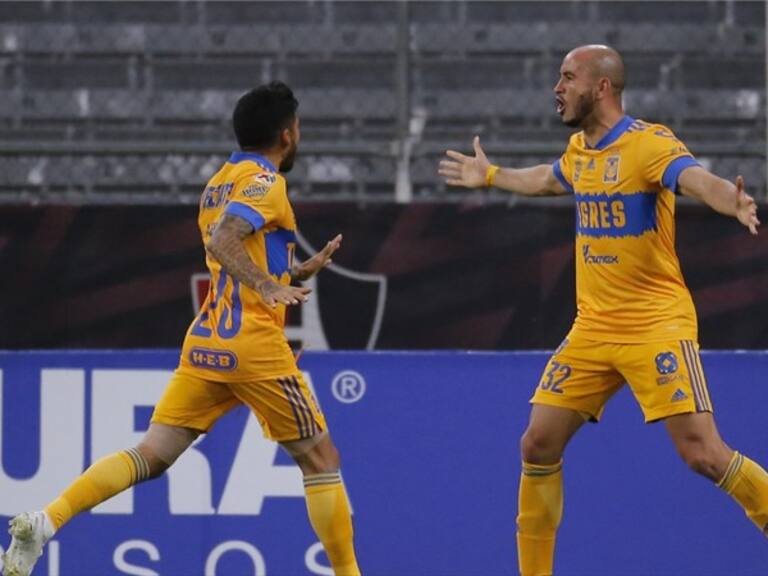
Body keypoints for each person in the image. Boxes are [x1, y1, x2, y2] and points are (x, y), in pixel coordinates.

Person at [3, 81, 361, 576]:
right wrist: (268, 285)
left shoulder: (219, 180)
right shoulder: (266, 183)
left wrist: (296, 272)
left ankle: (44, 522)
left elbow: (234, 253)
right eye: (297, 126)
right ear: (286, 133)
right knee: (321, 460)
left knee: (152, 453)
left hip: (207, 344)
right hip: (254, 344)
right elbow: (224, 241)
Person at [439, 44, 766, 576]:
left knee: (703, 454)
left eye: (568, 78)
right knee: (538, 442)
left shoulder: (648, 144)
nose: (558, 87)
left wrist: (729, 198)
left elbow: (692, 178)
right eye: (559, 78)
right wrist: (493, 174)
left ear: (602, 87)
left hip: (654, 324)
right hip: (593, 327)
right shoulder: (580, 150)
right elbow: (550, 179)